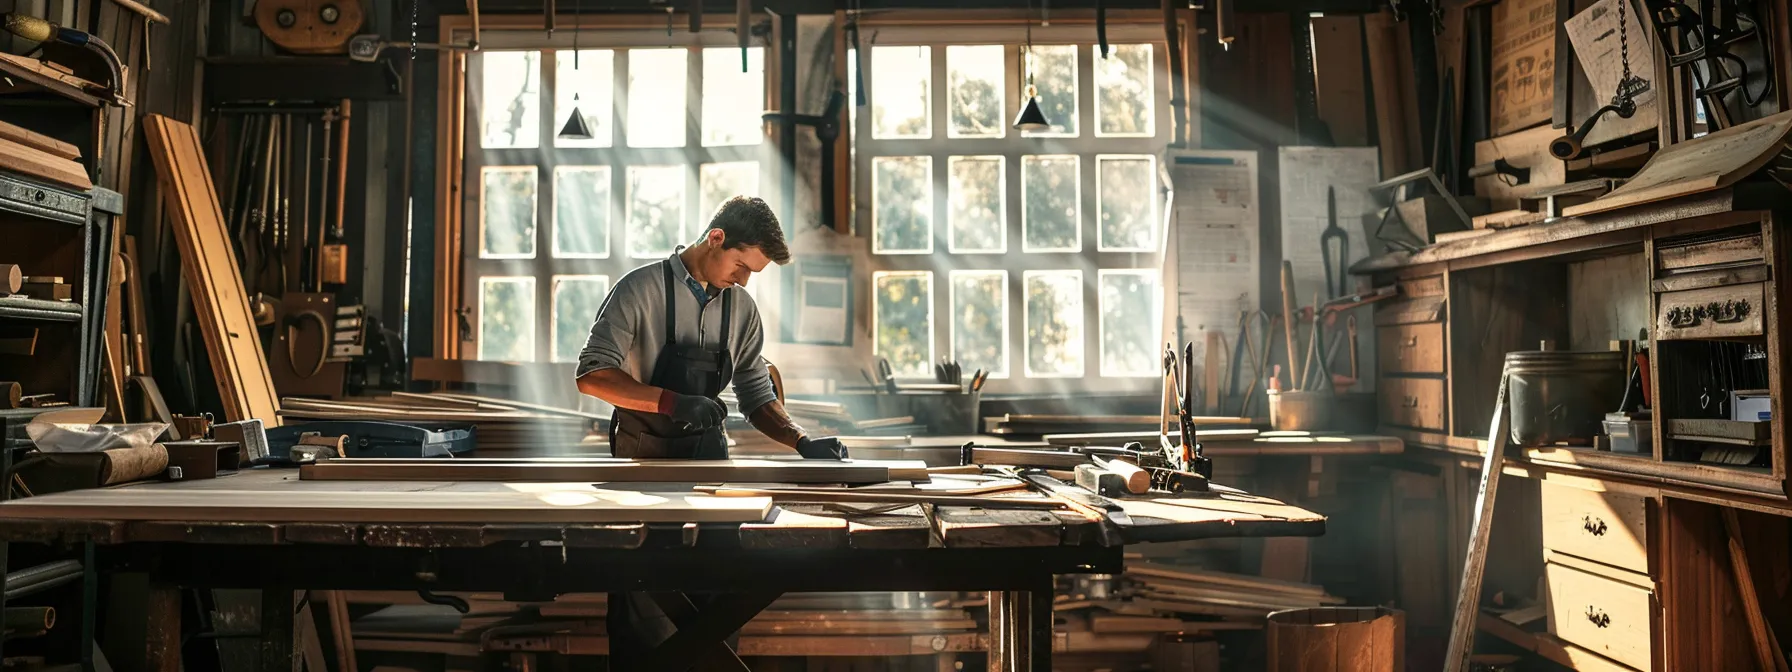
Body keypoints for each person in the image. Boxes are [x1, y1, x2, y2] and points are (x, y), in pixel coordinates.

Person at [573, 195, 848, 666]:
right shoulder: (639, 290)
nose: (742, 280)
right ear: (716, 238)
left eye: (751, 274)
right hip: (644, 471)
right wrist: (671, 402)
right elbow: (592, 374)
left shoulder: (740, 310)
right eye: (741, 266)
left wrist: (800, 439)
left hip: (711, 475)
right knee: (645, 601)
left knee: (719, 599)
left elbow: (758, 397)